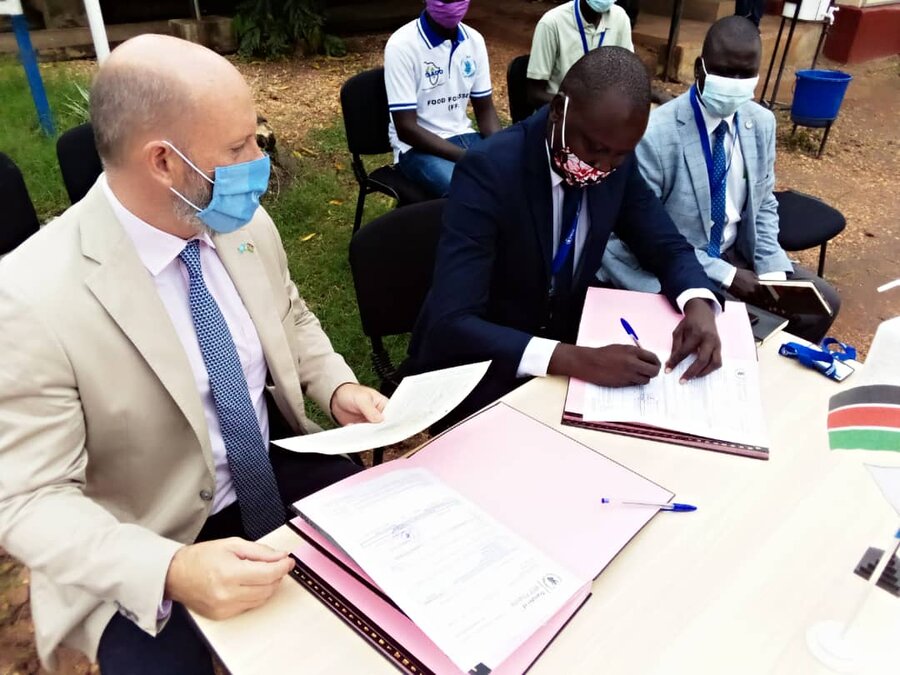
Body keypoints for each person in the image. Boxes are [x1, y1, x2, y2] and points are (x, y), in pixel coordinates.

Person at [0, 35, 388, 674]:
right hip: (144, 534)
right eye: (238, 148)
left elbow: (289, 315)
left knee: (397, 580)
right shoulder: (32, 298)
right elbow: (30, 499)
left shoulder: (238, 225)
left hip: (269, 470)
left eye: (256, 138)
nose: (259, 160)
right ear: (163, 161)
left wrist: (336, 387)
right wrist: (171, 568)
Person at [407, 47, 724, 424]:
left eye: (619, 155)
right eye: (594, 149)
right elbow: (453, 322)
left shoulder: (614, 159)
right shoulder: (490, 171)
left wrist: (699, 302)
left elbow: (665, 244)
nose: (601, 168)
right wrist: (575, 359)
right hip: (480, 366)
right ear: (559, 109)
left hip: (565, 344)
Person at [599, 16, 840, 343]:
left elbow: (765, 201)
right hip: (679, 261)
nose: (735, 82)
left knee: (822, 305)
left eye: (745, 74)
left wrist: (772, 273)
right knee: (735, 331)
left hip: (737, 252)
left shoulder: (761, 123)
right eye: (725, 71)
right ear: (700, 68)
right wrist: (727, 276)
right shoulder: (656, 134)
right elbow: (645, 234)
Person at [385, 0, 501, 197]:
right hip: (416, 148)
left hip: (465, 136)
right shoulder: (401, 45)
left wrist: (500, 148)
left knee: (515, 181)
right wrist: (468, 158)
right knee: (468, 192)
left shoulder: (474, 40)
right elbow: (406, 129)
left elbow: (486, 110)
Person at [526, 0, 634, 110]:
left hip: (601, 113)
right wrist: (576, 107)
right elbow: (535, 94)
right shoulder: (551, 23)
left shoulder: (620, 18)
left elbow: (628, 74)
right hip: (561, 114)